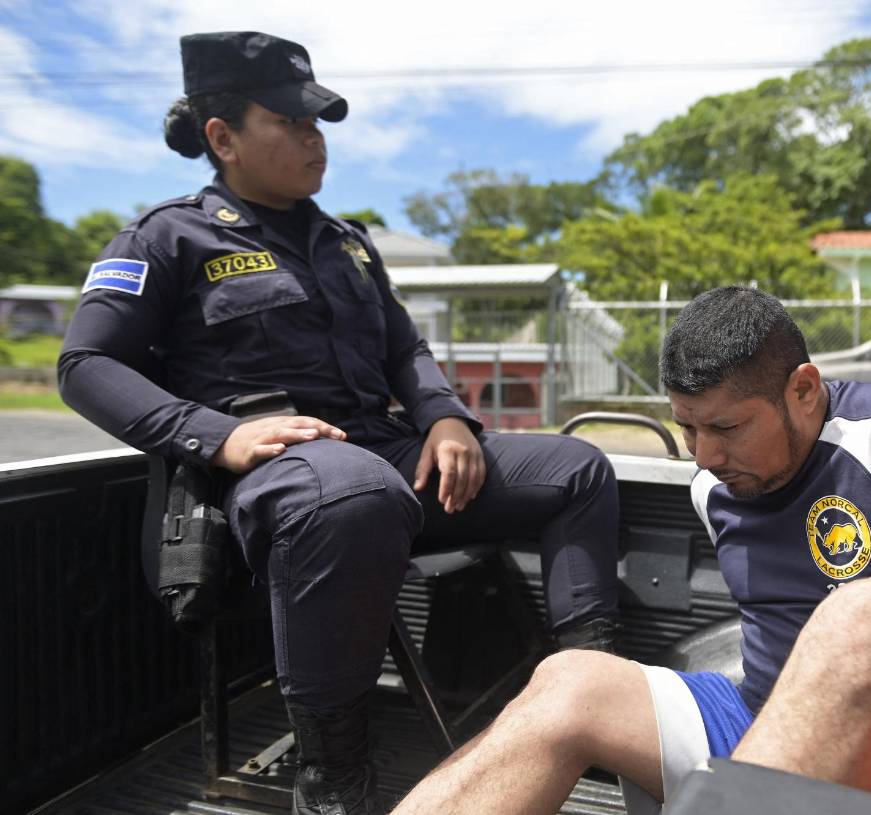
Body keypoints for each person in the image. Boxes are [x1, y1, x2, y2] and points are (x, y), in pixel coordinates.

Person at [57, 31, 620, 815]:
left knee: (577, 468)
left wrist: (446, 419)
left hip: (386, 453)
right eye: (288, 121)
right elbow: (85, 366)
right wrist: (216, 435)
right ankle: (332, 777)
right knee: (353, 493)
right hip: (277, 470)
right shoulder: (168, 237)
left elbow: (404, 349)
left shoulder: (348, 242)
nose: (312, 137)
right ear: (222, 138)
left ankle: (588, 698)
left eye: (315, 122)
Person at [392, 285, 871, 814]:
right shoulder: (711, 489)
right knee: (570, 680)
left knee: (867, 616)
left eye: (726, 427)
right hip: (762, 718)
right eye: (686, 427)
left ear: (803, 390)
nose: (705, 456)